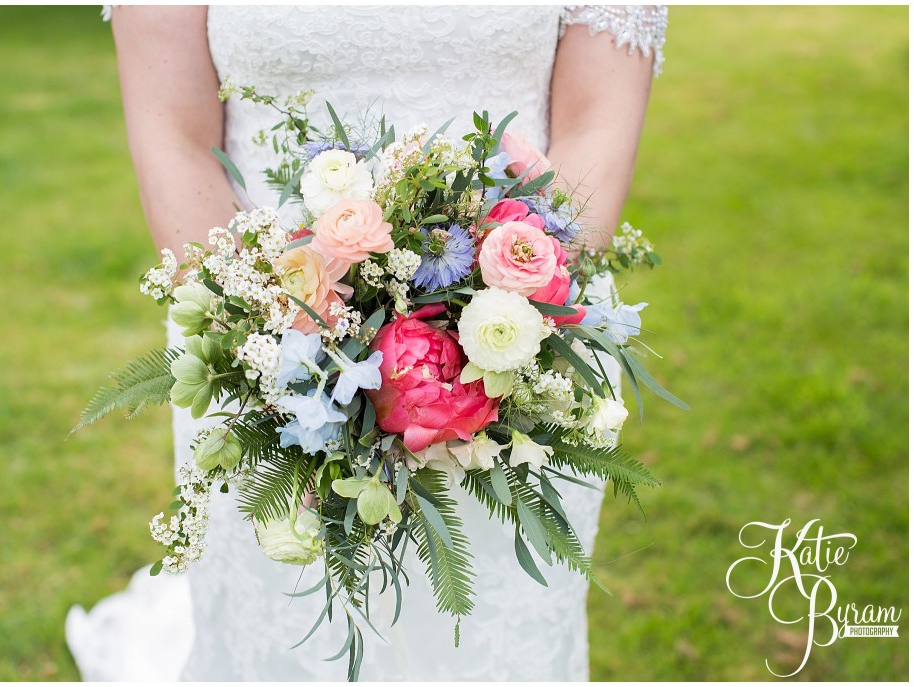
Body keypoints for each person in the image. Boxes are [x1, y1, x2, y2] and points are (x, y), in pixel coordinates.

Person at [67, 5, 667, 681]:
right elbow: (172, 131)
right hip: (271, 343)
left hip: (515, 345)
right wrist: (273, 334)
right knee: (293, 636)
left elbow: (597, 122)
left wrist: (494, 323)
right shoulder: (265, 338)